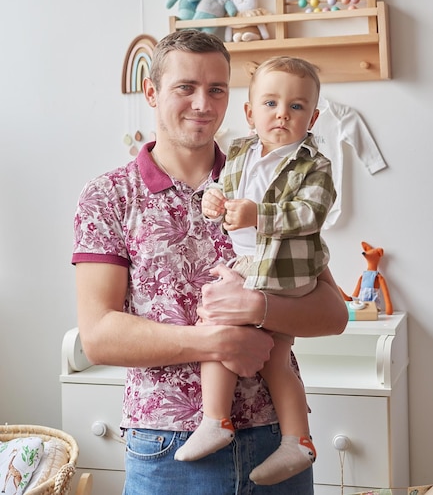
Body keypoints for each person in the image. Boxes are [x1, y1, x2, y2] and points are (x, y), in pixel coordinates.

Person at [72, 29, 348, 495]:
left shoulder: (267, 175)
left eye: (216, 89)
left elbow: (332, 312)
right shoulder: (109, 196)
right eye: (186, 87)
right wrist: (216, 342)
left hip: (273, 441)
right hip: (167, 447)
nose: (203, 103)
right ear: (152, 92)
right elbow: (98, 337)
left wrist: (258, 311)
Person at [174, 56, 336, 486]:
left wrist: (257, 215)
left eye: (297, 107)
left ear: (313, 117)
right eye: (270, 103)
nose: (282, 113)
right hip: (248, 265)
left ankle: (215, 419)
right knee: (275, 358)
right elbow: (224, 193)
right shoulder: (243, 153)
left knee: (216, 323)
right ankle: (297, 441)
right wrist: (214, 200)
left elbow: (310, 213)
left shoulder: (312, 165)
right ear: (250, 113)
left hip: (281, 273)